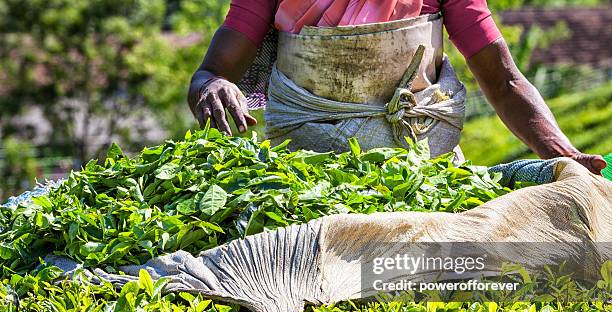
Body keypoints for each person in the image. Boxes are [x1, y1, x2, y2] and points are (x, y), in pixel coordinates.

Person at [188, 0, 607, 175]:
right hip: (303, 177)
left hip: (422, 171)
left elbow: (504, 80)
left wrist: (565, 158)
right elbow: (209, 73)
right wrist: (213, 86)